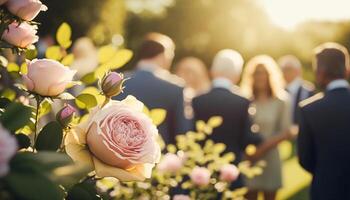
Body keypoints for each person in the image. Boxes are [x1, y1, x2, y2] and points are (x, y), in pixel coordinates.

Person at [192, 49, 262, 189]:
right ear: (237, 75)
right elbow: (249, 137)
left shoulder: (197, 100)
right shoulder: (242, 102)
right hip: (232, 170)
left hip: (202, 171)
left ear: (213, 71)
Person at [115, 32, 190, 144]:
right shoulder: (175, 88)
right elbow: (182, 132)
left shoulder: (117, 82)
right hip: (159, 157)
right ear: (163, 56)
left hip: (116, 154)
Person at [298, 42, 350, 200]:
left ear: (320, 71)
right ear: (346, 71)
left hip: (326, 189)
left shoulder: (309, 109)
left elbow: (306, 159)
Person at [240, 55, 292, 200]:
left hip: (271, 158)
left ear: (270, 75)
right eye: (257, 72)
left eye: (263, 73)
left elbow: (286, 131)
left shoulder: (281, 101)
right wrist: (251, 153)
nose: (260, 76)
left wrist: (261, 149)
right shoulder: (244, 100)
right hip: (249, 158)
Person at [278, 55, 315, 124]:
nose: (284, 72)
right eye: (283, 69)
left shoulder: (308, 90)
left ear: (298, 71)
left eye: (288, 69)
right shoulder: (278, 92)